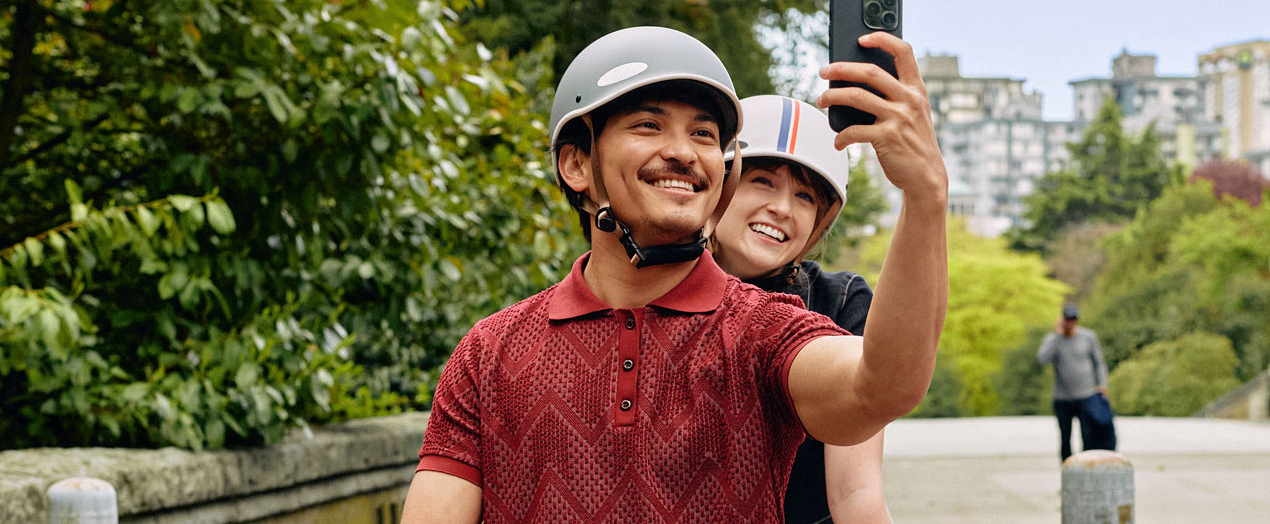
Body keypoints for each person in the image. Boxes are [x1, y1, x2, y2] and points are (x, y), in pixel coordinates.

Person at [401, 26, 947, 523]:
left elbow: (880, 385)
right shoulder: (489, 352)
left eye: (705, 135)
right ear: (575, 165)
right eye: (648, 125)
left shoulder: (767, 332)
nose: (683, 152)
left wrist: (925, 195)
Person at [710, 95, 888, 524]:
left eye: (805, 196)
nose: (783, 208)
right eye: (763, 181)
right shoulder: (653, 285)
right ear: (719, 184)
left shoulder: (838, 303)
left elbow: (856, 490)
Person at [1036, 303, 1110, 462]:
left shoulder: (1088, 337)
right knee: (1065, 438)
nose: (1070, 323)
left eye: (1073, 319)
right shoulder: (1053, 339)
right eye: (1068, 319)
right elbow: (1043, 359)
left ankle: (1087, 470)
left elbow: (1099, 362)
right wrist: (1057, 335)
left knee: (1088, 436)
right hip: (1063, 397)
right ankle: (1066, 472)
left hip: (1086, 395)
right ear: (1062, 319)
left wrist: (1103, 384)